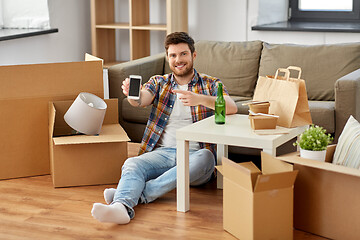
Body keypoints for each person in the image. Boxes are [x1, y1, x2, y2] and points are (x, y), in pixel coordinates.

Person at [91, 32, 237, 224]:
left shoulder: (210, 83)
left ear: (193, 55)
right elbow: (141, 99)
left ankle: (133, 194)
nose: (178, 60)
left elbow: (232, 107)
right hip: (163, 153)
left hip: (196, 156)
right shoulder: (159, 82)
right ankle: (121, 207)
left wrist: (199, 99)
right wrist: (132, 95)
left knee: (206, 157)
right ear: (168, 58)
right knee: (132, 164)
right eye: (173, 55)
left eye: (183, 54)